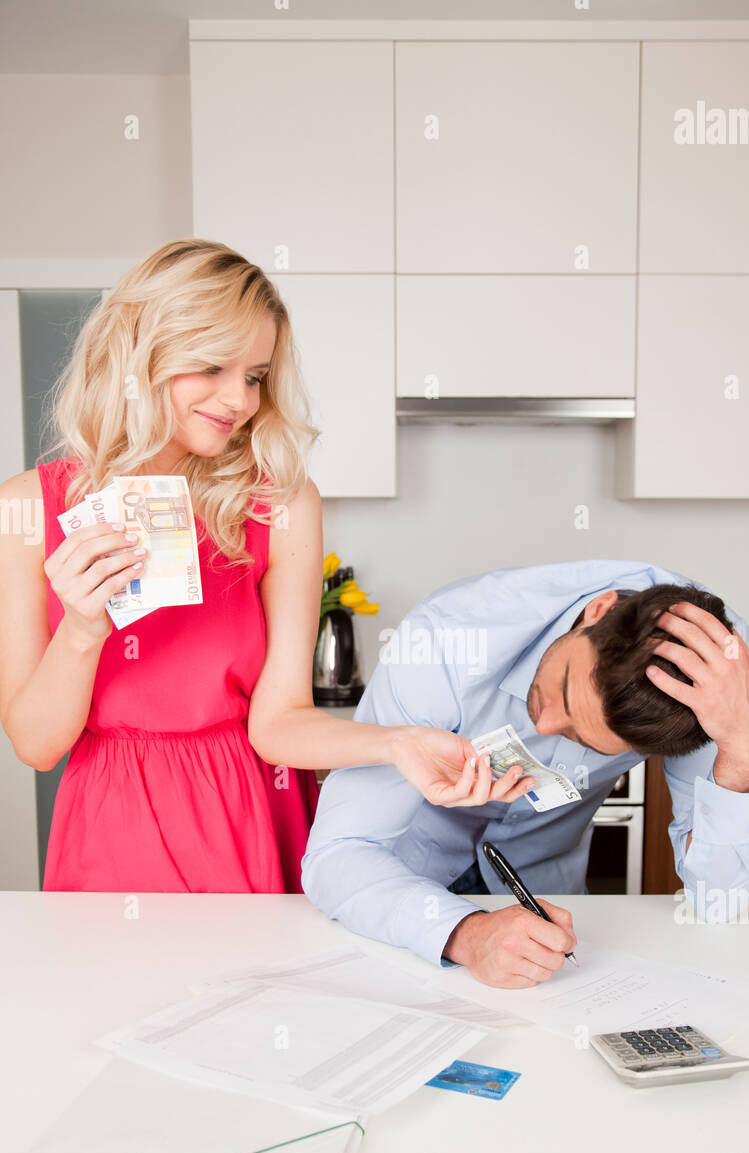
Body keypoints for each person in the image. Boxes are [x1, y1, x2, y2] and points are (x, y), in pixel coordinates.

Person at [0, 240, 530, 894]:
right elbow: (36, 745)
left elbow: (279, 720)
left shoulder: (279, 504)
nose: (240, 399)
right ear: (142, 353)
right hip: (111, 825)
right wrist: (81, 632)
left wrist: (397, 744)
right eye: (214, 366)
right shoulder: (26, 508)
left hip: (253, 810)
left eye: (254, 375)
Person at [301, 559, 749, 987]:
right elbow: (337, 856)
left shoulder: (712, 677)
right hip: (395, 898)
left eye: (581, 741)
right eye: (565, 690)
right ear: (597, 611)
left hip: (548, 908)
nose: (544, 725)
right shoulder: (445, 638)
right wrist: (467, 934)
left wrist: (745, 747)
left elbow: (720, 901)